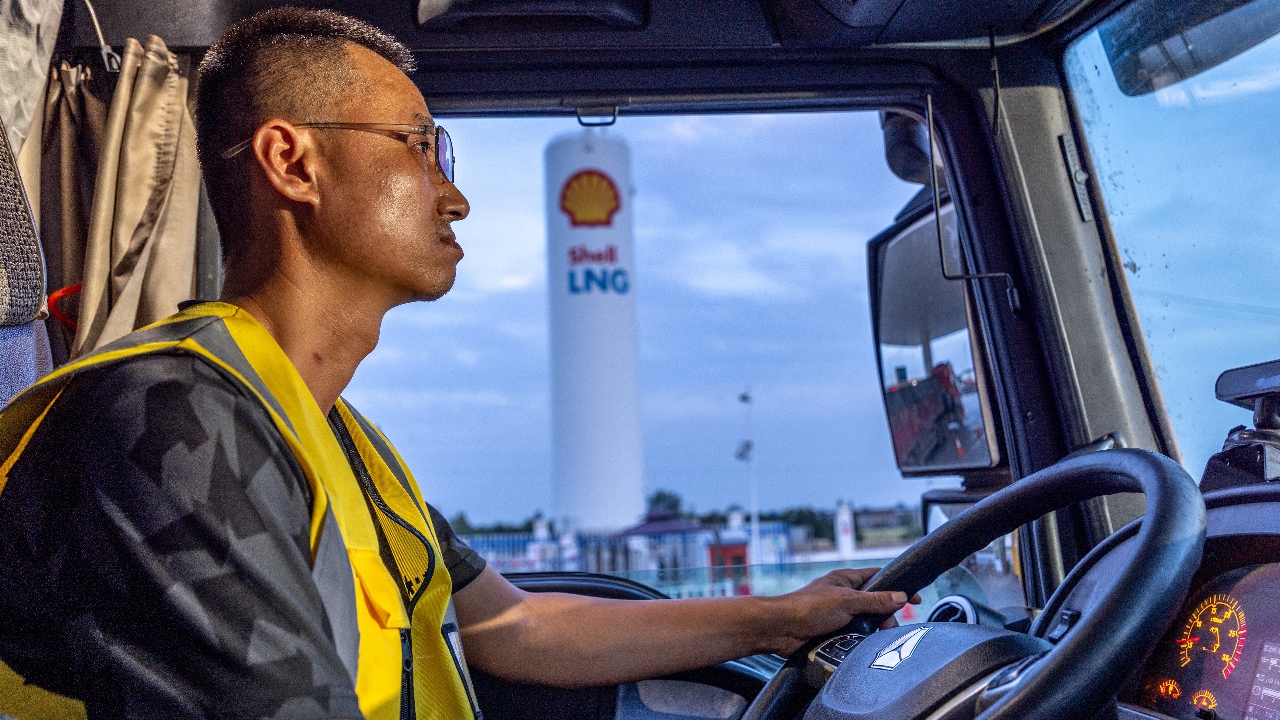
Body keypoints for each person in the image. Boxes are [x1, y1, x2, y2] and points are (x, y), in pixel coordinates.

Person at [0, 8, 914, 720]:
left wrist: (781, 617)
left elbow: (514, 625)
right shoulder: (170, 413)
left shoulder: (339, 439)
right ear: (294, 161)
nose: (458, 195)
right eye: (418, 144)